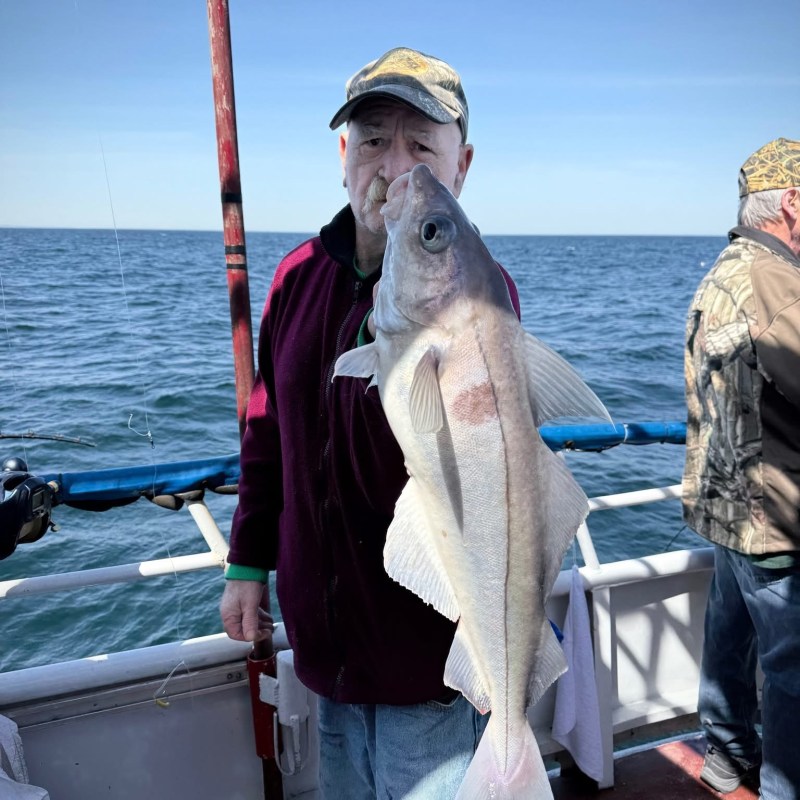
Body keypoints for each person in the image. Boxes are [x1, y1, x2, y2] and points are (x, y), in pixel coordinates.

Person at [220, 47, 521, 798]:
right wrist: (248, 562)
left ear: (462, 167)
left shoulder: (480, 298)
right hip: (326, 654)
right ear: (343, 156)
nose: (395, 167)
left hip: (431, 660)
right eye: (374, 140)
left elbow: (489, 474)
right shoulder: (295, 279)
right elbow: (267, 436)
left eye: (422, 146)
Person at [682, 137, 800, 798]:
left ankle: (727, 755)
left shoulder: (724, 272)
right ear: (792, 204)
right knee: (792, 670)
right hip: (775, 516)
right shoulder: (776, 281)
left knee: (728, 637)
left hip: (725, 504)